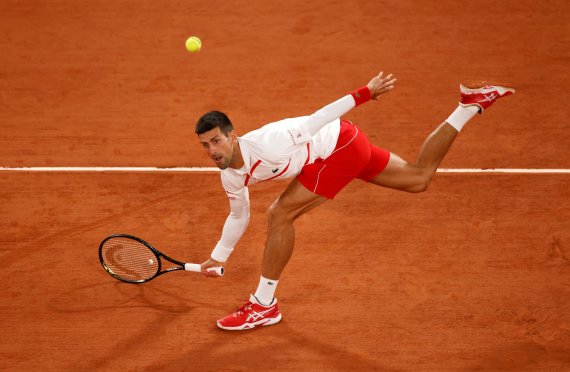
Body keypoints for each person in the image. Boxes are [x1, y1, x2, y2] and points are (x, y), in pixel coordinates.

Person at [195, 71, 514, 331]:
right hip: (346, 141)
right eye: (206, 145)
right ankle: (469, 105)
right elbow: (238, 216)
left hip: (339, 148)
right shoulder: (231, 176)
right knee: (418, 178)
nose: (213, 152)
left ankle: (264, 305)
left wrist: (365, 92)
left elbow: (316, 119)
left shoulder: (271, 143)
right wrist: (218, 257)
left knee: (280, 214)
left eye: (217, 141)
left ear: (233, 136)